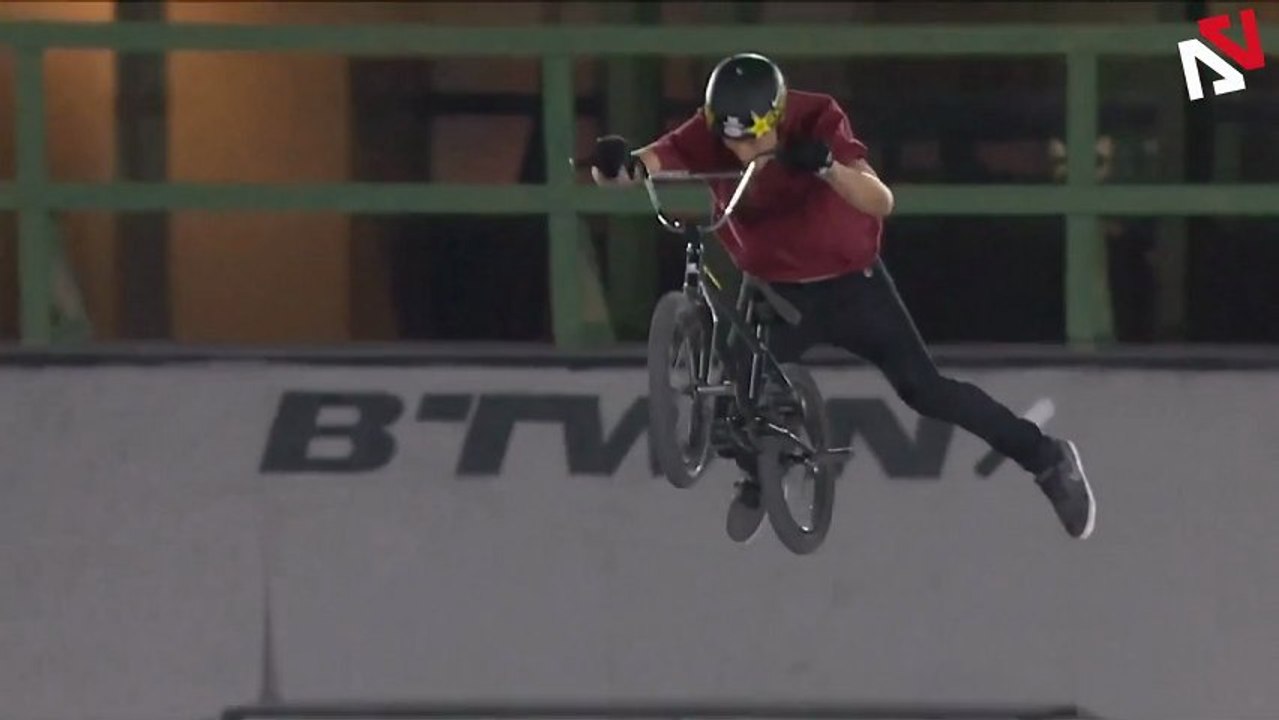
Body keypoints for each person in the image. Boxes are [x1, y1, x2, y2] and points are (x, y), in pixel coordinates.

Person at [589, 52, 1096, 542]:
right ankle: (763, 474)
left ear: (776, 116)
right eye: (730, 140)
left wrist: (829, 167)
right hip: (772, 287)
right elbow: (645, 164)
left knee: (927, 390)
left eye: (754, 139)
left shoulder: (816, 118)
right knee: (736, 403)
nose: (741, 153)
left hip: (853, 285)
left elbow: (881, 200)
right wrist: (616, 164)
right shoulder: (712, 129)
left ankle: (1047, 458)